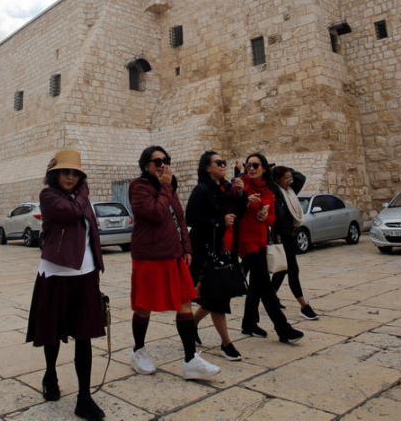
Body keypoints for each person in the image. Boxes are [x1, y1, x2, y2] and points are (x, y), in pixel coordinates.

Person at [26, 151, 106, 420]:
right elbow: (70, 213)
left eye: (75, 173)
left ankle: (84, 396)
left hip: (85, 274)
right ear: (55, 174)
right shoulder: (48, 196)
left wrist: (97, 269)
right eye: (65, 172)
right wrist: (84, 191)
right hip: (56, 274)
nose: (71, 177)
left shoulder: (83, 199)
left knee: (84, 337)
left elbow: (91, 233)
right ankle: (51, 374)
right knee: (53, 332)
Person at [128, 145, 220, 381]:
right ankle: (138, 350)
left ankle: (191, 360)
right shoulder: (138, 187)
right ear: (145, 164)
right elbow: (155, 214)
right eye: (157, 161)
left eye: (166, 160)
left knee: (184, 304)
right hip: (148, 256)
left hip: (173, 254)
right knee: (143, 306)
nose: (162, 165)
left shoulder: (169, 186)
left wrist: (186, 247)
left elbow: (179, 217)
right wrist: (166, 186)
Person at [232, 153, 304, 343]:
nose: (251, 169)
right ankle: (283, 328)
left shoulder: (269, 190)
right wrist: (246, 202)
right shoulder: (241, 184)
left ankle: (248, 323)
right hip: (246, 242)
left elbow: (273, 217)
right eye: (249, 165)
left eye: (255, 165)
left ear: (264, 168)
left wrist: (266, 218)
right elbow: (233, 209)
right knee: (265, 285)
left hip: (261, 240)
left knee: (256, 285)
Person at [186, 150, 247, 361]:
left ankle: (192, 324)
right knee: (218, 297)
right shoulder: (202, 190)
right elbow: (191, 217)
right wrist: (219, 222)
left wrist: (240, 194)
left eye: (224, 162)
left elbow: (238, 211)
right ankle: (226, 343)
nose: (223, 165)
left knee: (215, 295)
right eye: (219, 162)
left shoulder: (225, 188)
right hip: (205, 251)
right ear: (207, 167)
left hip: (223, 249)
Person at [269, 165, 319, 320]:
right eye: (286, 178)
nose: (290, 180)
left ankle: (269, 298)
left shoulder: (291, 191)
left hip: (290, 236)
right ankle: (304, 306)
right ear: (277, 180)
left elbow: (301, 177)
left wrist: (286, 170)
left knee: (281, 271)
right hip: (280, 238)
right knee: (292, 270)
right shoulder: (276, 193)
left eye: (290, 177)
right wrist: (272, 172)